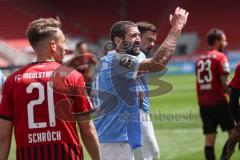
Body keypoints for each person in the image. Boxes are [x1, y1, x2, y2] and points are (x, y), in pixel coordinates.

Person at [92, 7, 188, 160]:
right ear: (118, 41)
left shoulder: (108, 60)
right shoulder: (118, 61)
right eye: (133, 35)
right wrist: (177, 27)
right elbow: (158, 63)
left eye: (138, 35)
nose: (138, 39)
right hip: (114, 140)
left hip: (115, 136)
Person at [0, 17, 101, 160]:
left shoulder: (12, 81)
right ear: (53, 45)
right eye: (63, 42)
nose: (66, 48)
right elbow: (87, 129)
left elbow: (3, 135)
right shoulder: (72, 76)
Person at [195, 28, 235, 160]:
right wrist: (234, 99)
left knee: (209, 139)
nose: (226, 43)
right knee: (234, 133)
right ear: (217, 42)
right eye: (224, 40)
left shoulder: (199, 59)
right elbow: (224, 82)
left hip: (204, 105)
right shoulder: (221, 57)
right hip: (219, 102)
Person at [133, 21, 160, 160]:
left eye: (154, 40)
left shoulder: (137, 56)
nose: (152, 44)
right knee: (151, 154)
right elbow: (159, 62)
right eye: (149, 39)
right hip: (137, 112)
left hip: (138, 112)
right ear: (138, 37)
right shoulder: (135, 56)